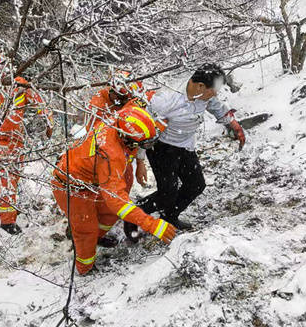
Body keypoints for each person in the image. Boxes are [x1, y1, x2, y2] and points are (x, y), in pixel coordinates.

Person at [124, 63, 245, 239]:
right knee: (167, 193)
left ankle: (169, 216)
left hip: (186, 145)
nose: (215, 94)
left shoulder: (204, 94)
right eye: (213, 91)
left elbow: (216, 105)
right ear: (200, 86)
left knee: (196, 185)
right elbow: (146, 132)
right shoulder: (166, 101)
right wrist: (140, 162)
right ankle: (134, 215)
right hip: (161, 148)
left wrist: (233, 124)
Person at [51, 106, 176, 275]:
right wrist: (151, 224)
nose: (146, 147)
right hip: (70, 187)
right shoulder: (110, 154)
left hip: (93, 179)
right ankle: (85, 267)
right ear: (127, 139)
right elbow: (117, 201)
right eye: (144, 144)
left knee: (108, 214)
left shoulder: (121, 121)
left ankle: (96, 237)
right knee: (86, 229)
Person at [0, 51, 54, 235]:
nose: (4, 70)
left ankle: (14, 208)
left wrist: (49, 123)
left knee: (14, 178)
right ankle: (7, 223)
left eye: (4, 65)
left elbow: (40, 103)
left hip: (16, 140)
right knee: (5, 181)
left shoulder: (19, 83)